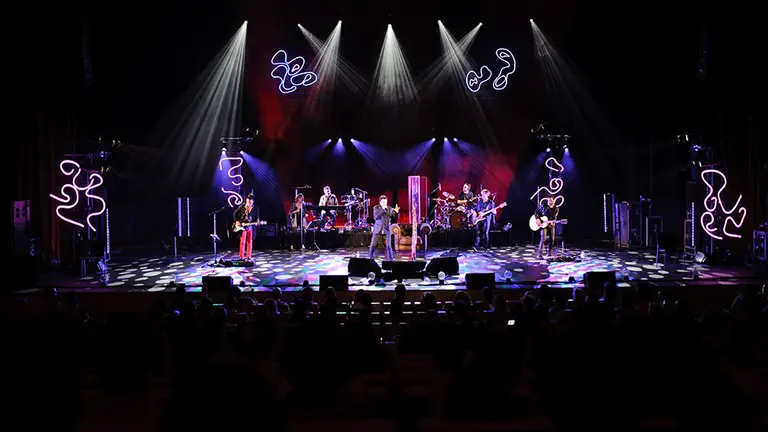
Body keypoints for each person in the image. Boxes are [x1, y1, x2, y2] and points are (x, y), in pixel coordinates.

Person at [369, 195, 399, 261]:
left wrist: (396, 213)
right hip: (378, 228)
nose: (384, 203)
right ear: (380, 202)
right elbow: (375, 217)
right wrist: (383, 210)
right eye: (383, 202)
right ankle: (370, 258)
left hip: (387, 229)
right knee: (373, 245)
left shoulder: (390, 208)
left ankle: (390, 260)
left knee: (388, 246)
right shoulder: (376, 208)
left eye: (385, 202)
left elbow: (395, 219)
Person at [233, 194, 255, 259]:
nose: (248, 203)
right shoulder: (243, 206)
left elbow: (257, 218)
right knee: (242, 242)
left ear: (252, 201)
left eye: (250, 202)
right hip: (242, 226)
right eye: (247, 202)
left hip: (250, 226)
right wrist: (236, 221)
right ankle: (241, 256)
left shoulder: (255, 208)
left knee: (249, 241)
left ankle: (249, 256)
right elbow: (235, 213)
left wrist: (257, 222)